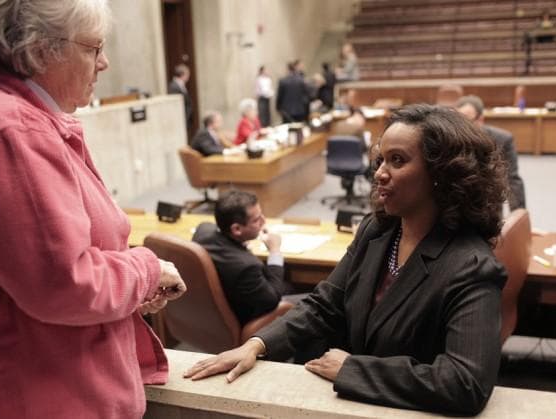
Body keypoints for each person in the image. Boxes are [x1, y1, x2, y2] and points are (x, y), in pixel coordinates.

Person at [0, 1, 187, 418]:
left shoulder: (6, 115)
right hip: (31, 396)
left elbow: (32, 269)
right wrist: (147, 270)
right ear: (39, 50)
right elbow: (64, 283)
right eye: (93, 48)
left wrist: (129, 290)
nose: (104, 63)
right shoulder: (10, 130)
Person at [184, 104, 508, 416]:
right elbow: (326, 303)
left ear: (442, 173)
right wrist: (256, 345)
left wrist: (353, 370)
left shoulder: (471, 266)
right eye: (381, 159)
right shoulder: (377, 229)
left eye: (397, 160)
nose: (380, 173)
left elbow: (466, 382)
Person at [192, 190, 297, 324]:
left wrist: (242, 242)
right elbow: (273, 298)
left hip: (208, 314)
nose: (264, 221)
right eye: (257, 219)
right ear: (236, 229)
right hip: (244, 317)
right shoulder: (247, 266)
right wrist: (274, 250)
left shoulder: (203, 230)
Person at [456, 95, 526, 210]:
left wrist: (517, 214)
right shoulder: (449, 139)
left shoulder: (502, 140)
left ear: (481, 120)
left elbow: (512, 180)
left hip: (489, 206)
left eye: (467, 122)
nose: (461, 129)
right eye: (458, 122)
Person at [167, 63, 192, 130]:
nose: (188, 77)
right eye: (187, 74)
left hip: (185, 118)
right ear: (182, 74)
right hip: (180, 119)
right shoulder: (174, 86)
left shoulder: (181, 85)